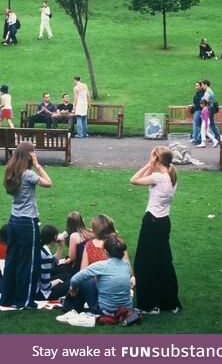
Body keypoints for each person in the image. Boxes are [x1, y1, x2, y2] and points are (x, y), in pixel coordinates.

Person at [0, 141, 52, 309]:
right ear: (30, 155)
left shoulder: (11, 171)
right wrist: (38, 165)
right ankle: (25, 301)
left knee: (12, 260)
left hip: (13, 221)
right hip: (27, 223)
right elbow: (48, 182)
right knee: (28, 264)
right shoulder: (28, 174)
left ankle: (7, 298)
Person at [130, 147, 182, 315]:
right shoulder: (173, 176)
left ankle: (149, 305)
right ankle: (169, 302)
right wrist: (152, 164)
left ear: (158, 160)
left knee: (143, 264)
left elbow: (134, 179)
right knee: (163, 262)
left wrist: (149, 164)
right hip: (164, 222)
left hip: (152, 223)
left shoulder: (159, 177)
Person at [59, 236, 133, 320]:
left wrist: (73, 288)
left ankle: (70, 307)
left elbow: (75, 279)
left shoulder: (101, 266)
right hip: (126, 310)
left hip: (105, 311)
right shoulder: (126, 265)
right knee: (93, 282)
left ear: (105, 251)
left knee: (86, 281)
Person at [36, 224, 70, 301]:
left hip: (37, 285)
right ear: (55, 237)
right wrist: (56, 281)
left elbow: (53, 264)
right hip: (40, 293)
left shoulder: (41, 248)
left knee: (67, 276)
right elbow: (45, 286)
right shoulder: (45, 256)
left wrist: (61, 246)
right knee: (71, 282)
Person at [201, 79, 221, 145]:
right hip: (211, 109)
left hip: (208, 110)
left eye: (202, 85)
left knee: (207, 124)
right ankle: (217, 138)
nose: (202, 86)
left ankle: (216, 138)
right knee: (212, 124)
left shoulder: (207, 92)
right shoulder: (211, 91)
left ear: (206, 84)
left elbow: (204, 102)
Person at [189, 81, 205, 145]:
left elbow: (200, 104)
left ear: (201, 86)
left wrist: (193, 106)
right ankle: (198, 138)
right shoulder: (199, 93)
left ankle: (195, 138)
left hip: (199, 110)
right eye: (195, 86)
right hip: (199, 110)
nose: (196, 87)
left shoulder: (202, 94)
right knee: (201, 125)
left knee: (195, 124)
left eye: (197, 86)